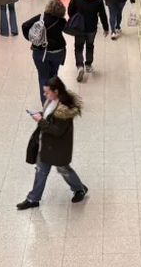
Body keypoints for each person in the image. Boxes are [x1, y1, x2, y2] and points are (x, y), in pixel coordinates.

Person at [16, 76, 88, 210]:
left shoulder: (65, 110)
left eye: (47, 92)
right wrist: (41, 115)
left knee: (64, 169)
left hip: (57, 147)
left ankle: (79, 188)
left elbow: (57, 131)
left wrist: (40, 121)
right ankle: (33, 199)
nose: (44, 94)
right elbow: (49, 116)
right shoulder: (51, 101)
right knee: (40, 171)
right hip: (45, 145)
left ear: (56, 92)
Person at [22, 0, 68, 104]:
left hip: (40, 52)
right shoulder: (61, 21)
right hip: (57, 52)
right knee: (54, 75)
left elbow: (25, 26)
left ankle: (46, 103)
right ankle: (54, 100)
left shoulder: (40, 18)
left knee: (43, 77)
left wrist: (32, 39)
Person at [67, 0, 108, 81]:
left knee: (78, 47)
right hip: (92, 27)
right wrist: (106, 28)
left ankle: (80, 66)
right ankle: (88, 64)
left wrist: (74, 17)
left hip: (79, 27)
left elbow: (70, 10)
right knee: (90, 45)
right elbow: (102, 14)